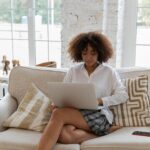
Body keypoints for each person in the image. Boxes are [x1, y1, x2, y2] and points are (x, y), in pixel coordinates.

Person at [36, 31, 128, 150]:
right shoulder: (73, 71)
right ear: (79, 53)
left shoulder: (109, 72)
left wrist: (100, 101)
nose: (88, 57)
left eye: (93, 53)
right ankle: (107, 132)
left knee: (58, 114)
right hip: (74, 114)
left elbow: (123, 95)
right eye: (84, 53)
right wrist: (56, 103)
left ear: (100, 53)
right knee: (66, 136)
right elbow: (63, 92)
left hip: (99, 116)